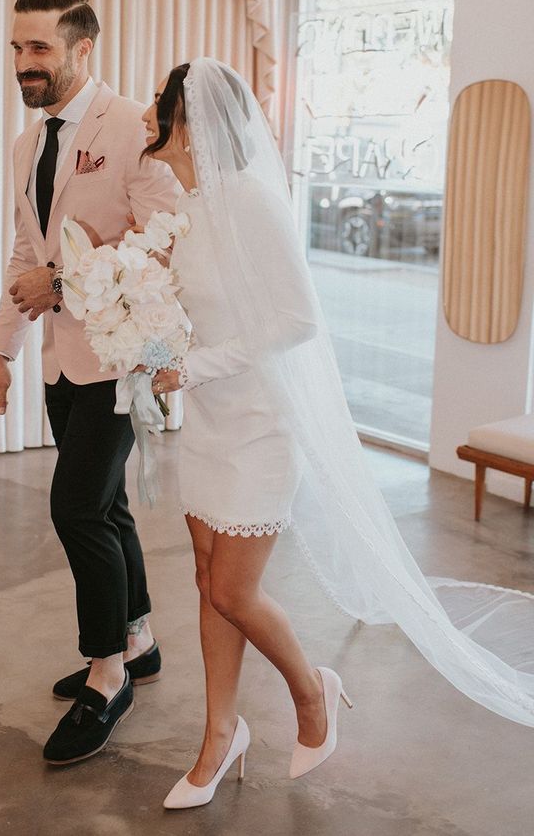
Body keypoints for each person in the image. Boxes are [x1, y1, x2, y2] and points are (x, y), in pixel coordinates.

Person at [140, 57, 534, 810]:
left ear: (185, 123)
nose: (153, 132)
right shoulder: (186, 208)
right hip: (210, 422)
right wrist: (149, 344)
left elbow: (297, 320)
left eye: (161, 117)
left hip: (259, 422)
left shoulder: (254, 200)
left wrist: (196, 367)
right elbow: (181, 313)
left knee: (233, 588)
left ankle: (311, 690)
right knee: (204, 581)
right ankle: (222, 735)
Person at [0, 0, 177, 766]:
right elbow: (27, 256)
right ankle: (142, 637)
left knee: (78, 511)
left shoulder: (133, 127)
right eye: (17, 48)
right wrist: (1, 351)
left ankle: (109, 675)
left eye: (40, 49)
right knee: (106, 505)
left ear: (82, 49)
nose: (24, 63)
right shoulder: (28, 145)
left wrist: (62, 280)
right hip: (65, 362)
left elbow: (164, 245)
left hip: (124, 360)